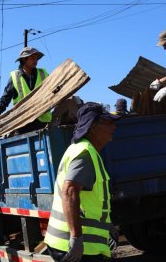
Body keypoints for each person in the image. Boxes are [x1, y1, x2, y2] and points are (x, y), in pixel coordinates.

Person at [44, 102, 120, 262]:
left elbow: (89, 202)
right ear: (93, 127)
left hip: (76, 244)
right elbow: (69, 191)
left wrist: (107, 226)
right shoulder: (85, 153)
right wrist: (76, 238)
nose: (113, 127)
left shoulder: (83, 150)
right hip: (76, 246)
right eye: (108, 123)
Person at [0, 46, 52, 134]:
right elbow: (6, 98)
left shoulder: (43, 74)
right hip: (23, 123)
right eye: (32, 58)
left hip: (42, 122)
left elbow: (54, 89)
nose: (35, 61)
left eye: (36, 58)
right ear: (24, 60)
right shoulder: (15, 78)